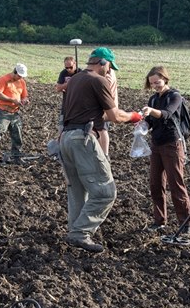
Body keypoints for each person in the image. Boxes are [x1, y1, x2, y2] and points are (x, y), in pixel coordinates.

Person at [59, 47, 142, 253]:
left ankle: (74, 231)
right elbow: (113, 116)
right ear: (103, 63)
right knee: (106, 191)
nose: (110, 72)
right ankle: (80, 232)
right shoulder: (99, 80)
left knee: (77, 189)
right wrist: (135, 117)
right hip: (83, 138)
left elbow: (97, 114)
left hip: (66, 138)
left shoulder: (76, 79)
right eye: (110, 67)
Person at [141, 66, 190, 234]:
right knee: (155, 184)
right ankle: (159, 221)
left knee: (176, 184)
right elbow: (151, 121)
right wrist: (142, 124)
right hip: (156, 144)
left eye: (157, 82)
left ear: (165, 79)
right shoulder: (153, 99)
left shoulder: (175, 97)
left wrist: (151, 112)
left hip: (172, 144)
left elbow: (167, 114)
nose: (155, 86)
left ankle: (187, 224)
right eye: (152, 83)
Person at [0, 63, 30, 164]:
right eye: (19, 75)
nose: (20, 78)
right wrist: (12, 100)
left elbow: (24, 96)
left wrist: (25, 100)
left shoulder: (22, 82)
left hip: (15, 112)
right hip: (3, 112)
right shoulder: (3, 79)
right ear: (14, 72)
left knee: (17, 135)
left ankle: (16, 156)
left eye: (22, 76)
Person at [55, 56, 82, 131]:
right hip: (66, 103)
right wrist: (68, 84)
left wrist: (64, 86)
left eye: (70, 67)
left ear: (75, 64)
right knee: (62, 124)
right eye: (66, 67)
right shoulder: (63, 73)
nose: (68, 69)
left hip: (78, 103)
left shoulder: (80, 73)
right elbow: (58, 88)